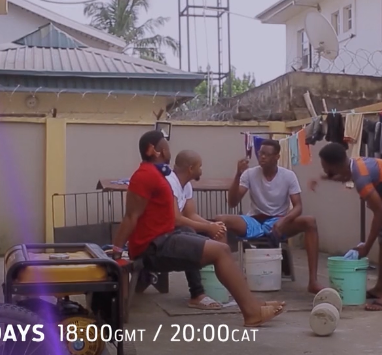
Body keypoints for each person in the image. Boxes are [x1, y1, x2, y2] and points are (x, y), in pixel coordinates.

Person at [110, 130, 284, 326]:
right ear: (155, 150)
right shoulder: (144, 176)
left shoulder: (156, 174)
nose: (169, 150)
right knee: (221, 251)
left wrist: (209, 226)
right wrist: (116, 250)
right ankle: (251, 312)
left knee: (219, 248)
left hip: (165, 237)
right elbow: (131, 216)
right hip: (154, 246)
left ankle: (253, 305)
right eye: (165, 146)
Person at [310, 143, 382, 311]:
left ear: (333, 166)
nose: (324, 169)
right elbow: (343, 176)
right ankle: (381, 288)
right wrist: (323, 178)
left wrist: (366, 246)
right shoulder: (353, 166)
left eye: (324, 167)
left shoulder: (362, 179)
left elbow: (379, 213)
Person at [216, 139, 324, 294]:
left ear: (277, 157)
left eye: (267, 154)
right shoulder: (249, 174)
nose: (262, 157)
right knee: (221, 220)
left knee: (310, 222)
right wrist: (238, 174)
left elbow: (298, 207)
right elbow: (232, 202)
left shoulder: (288, 176)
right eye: (261, 153)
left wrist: (283, 221)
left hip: (278, 222)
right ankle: (225, 278)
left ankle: (313, 281)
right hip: (254, 220)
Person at [166, 149, 228, 310]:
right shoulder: (170, 182)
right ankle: (197, 294)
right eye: (200, 166)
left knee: (219, 230)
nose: (201, 170)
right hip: (164, 234)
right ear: (191, 168)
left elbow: (191, 214)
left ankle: (220, 287)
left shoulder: (186, 185)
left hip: (178, 229)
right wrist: (208, 227)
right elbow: (176, 219)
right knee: (189, 234)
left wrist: (213, 226)